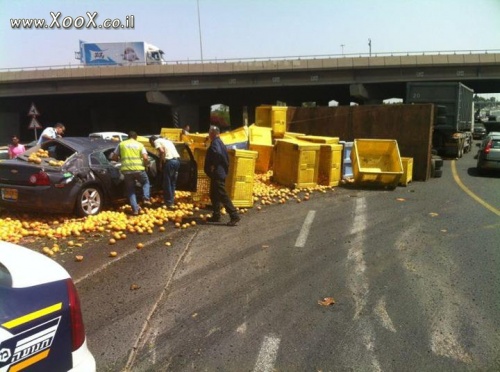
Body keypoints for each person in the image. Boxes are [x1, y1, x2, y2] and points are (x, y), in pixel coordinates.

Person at [204, 125, 241, 226]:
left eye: (210, 132)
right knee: (214, 194)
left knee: (222, 194)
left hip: (217, 173)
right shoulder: (220, 142)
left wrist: (214, 165)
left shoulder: (216, 143)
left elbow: (217, 153)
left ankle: (234, 215)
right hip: (220, 172)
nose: (209, 134)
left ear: (213, 133)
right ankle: (216, 215)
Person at [111, 131, 151, 215]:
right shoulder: (139, 145)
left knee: (131, 190)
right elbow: (145, 158)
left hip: (126, 171)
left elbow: (114, 157)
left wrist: (119, 160)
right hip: (138, 169)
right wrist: (146, 164)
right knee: (145, 182)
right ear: (136, 137)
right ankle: (146, 198)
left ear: (128, 137)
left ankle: (135, 210)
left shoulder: (121, 144)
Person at [149, 135, 181, 208]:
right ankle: (171, 201)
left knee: (167, 183)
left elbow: (161, 151)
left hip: (170, 162)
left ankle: (168, 203)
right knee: (172, 182)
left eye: (151, 144)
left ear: (152, 141)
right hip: (177, 161)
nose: (153, 146)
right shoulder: (167, 141)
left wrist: (160, 163)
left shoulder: (157, 141)